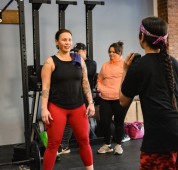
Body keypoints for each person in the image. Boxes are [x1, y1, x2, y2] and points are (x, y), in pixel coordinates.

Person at [119, 16, 178, 169]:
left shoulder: (139, 66)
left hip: (161, 136)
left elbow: (123, 101)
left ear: (141, 37)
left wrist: (125, 70)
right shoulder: (173, 62)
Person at [41, 29, 95, 170]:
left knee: (84, 141)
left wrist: (90, 102)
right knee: (53, 144)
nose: (67, 42)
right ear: (57, 42)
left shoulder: (78, 59)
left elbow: (85, 83)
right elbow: (45, 87)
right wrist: (44, 109)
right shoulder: (50, 62)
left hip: (78, 106)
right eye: (64, 39)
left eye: (69, 39)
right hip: (57, 107)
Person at [58, 42, 97, 155]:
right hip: (74, 95)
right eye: (74, 52)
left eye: (77, 51)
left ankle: (83, 145)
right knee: (69, 122)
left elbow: (84, 73)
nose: (75, 53)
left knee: (82, 121)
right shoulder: (74, 62)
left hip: (85, 96)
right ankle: (65, 146)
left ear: (84, 51)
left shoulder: (91, 63)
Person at [96, 41, 128, 155]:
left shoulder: (125, 65)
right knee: (104, 122)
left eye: (114, 52)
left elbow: (130, 81)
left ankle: (118, 145)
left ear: (120, 52)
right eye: (110, 52)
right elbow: (99, 79)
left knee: (119, 122)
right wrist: (99, 87)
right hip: (105, 98)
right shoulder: (105, 65)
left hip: (119, 98)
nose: (111, 54)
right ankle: (107, 144)